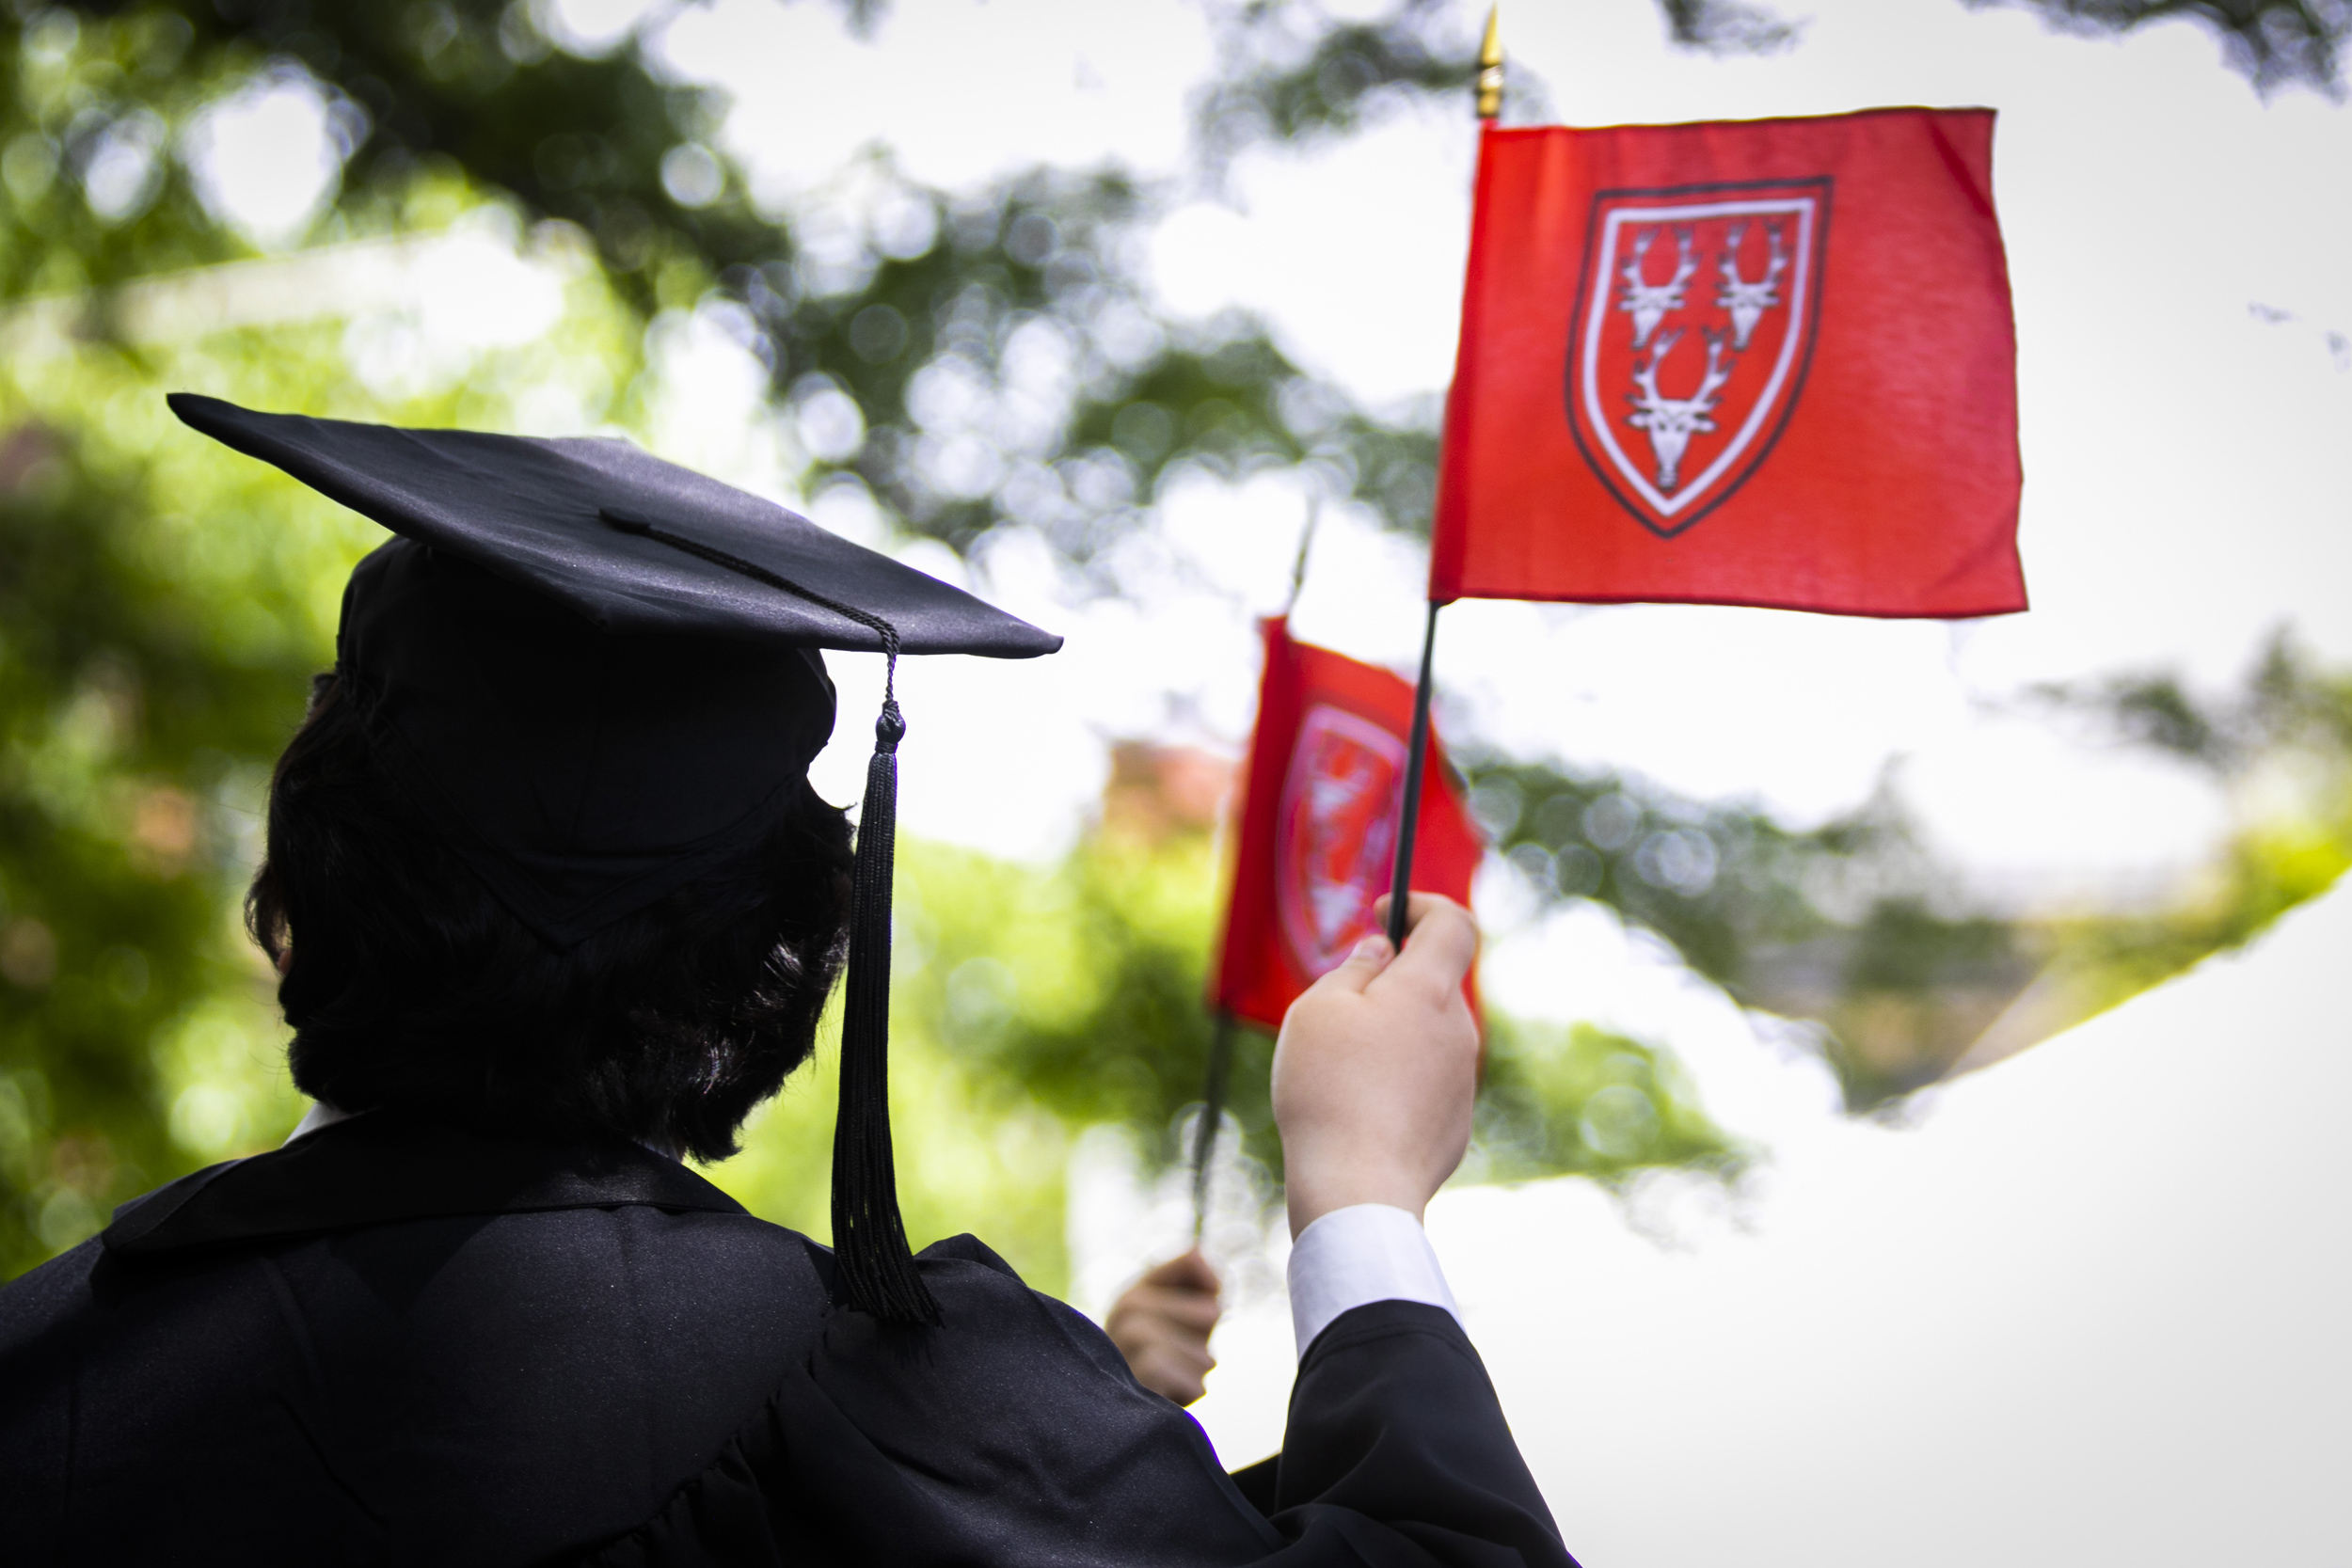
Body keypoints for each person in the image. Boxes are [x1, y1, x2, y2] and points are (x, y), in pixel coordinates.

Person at [0, 397, 1573, 1567]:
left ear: (308, 868)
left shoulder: (47, 1368)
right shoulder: (871, 1403)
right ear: (780, 949)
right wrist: (1359, 1198)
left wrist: (1083, 1433)